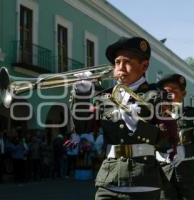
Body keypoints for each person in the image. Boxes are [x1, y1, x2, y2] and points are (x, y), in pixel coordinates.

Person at [71, 36, 176, 199]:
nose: (120, 68)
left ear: (144, 66)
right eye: (117, 62)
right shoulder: (104, 98)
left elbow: (168, 141)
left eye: (127, 62)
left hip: (143, 180)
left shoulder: (157, 97)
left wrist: (138, 127)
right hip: (109, 179)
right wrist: (81, 97)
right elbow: (82, 128)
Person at [157, 74, 194, 200]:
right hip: (163, 172)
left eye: (174, 91)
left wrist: (185, 151)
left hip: (187, 174)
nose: (170, 96)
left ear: (184, 93)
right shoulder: (155, 115)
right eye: (166, 92)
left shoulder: (193, 115)